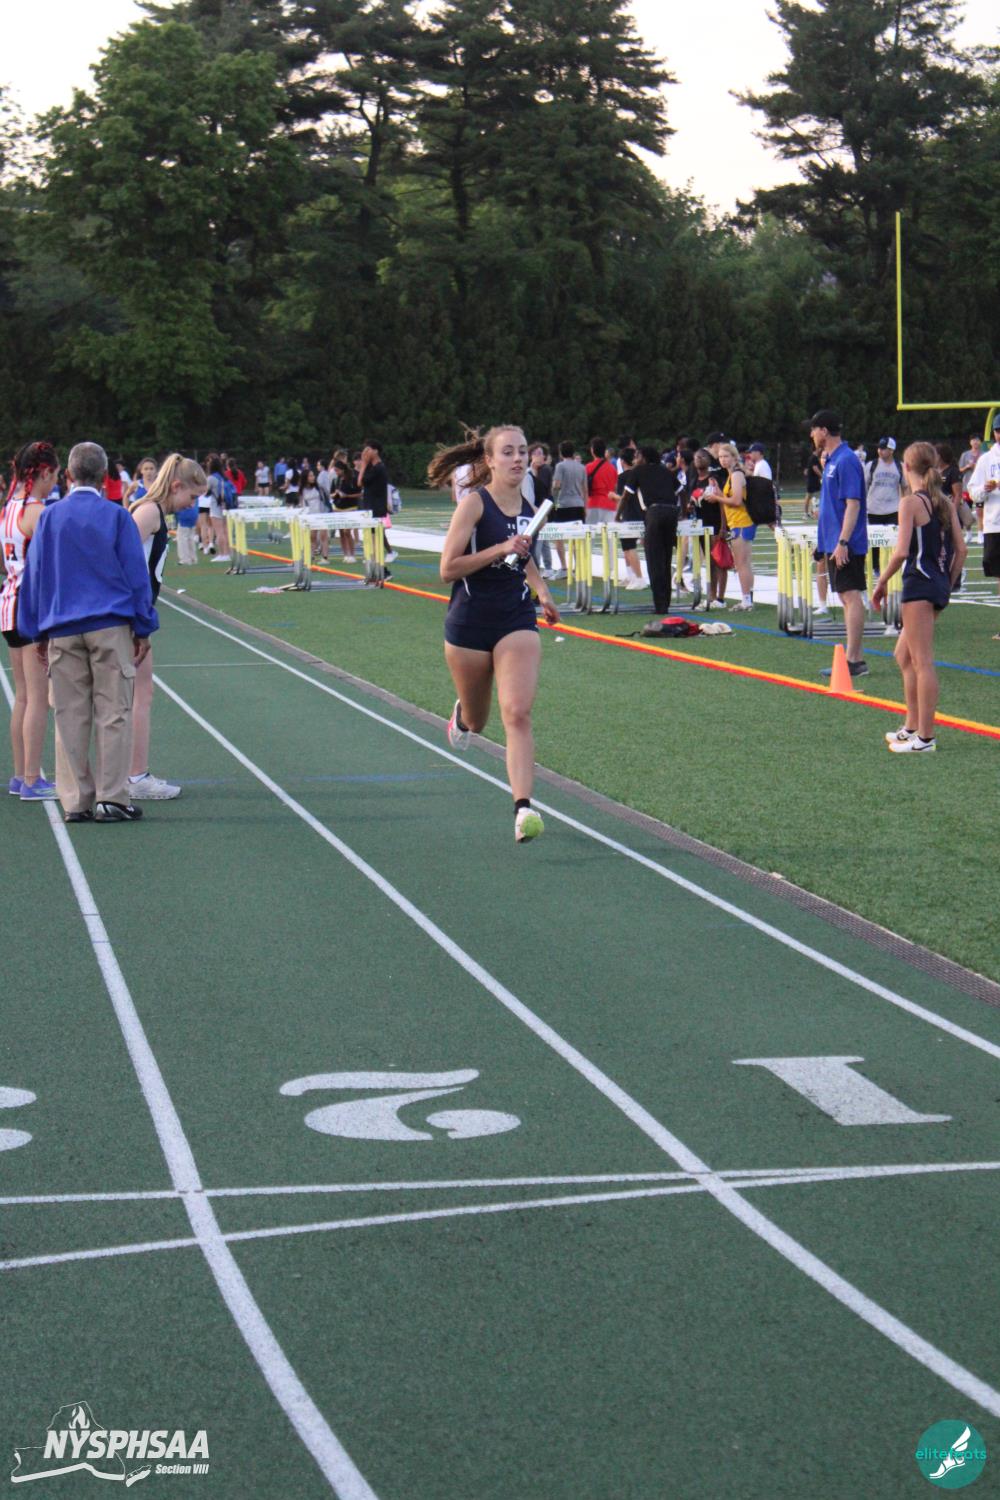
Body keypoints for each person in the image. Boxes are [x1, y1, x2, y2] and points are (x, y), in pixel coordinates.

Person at [428, 425, 559, 843]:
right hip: (469, 623)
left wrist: (542, 591)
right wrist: (500, 548)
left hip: (515, 618)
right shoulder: (474, 504)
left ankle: (523, 809)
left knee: (517, 712)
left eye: (522, 451)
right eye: (508, 452)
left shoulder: (531, 506)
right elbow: (447, 569)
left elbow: (525, 555)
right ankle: (462, 717)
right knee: (478, 720)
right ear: (490, 460)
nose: (518, 458)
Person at [17, 441, 158, 823]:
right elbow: (136, 575)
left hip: (62, 628)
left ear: (68, 474)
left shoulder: (49, 517)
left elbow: (35, 575)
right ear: (104, 476)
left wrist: (35, 631)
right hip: (110, 625)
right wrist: (143, 627)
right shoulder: (117, 517)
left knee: (69, 715)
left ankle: (76, 800)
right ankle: (112, 797)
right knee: (113, 713)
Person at [873, 442, 965, 751]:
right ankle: (912, 726)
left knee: (922, 661)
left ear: (907, 467)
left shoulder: (910, 502)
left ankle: (925, 737)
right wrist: (947, 583)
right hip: (935, 585)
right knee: (903, 655)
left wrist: (881, 582)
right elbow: (961, 550)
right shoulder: (944, 502)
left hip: (919, 585)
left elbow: (901, 552)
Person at [127, 455, 207, 799]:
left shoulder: (153, 512)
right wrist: (137, 620)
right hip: (130, 617)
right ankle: (134, 776)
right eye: (191, 496)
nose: (192, 504)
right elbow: (120, 558)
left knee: (136, 696)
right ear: (176, 486)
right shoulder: (148, 512)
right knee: (138, 696)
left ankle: (129, 774)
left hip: (136, 614)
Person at [1, 441, 61, 801]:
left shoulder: (9, 507)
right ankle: (31, 779)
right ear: (44, 473)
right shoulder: (38, 511)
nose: (56, 482)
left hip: (9, 605)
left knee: (23, 696)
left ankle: (20, 773)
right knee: (38, 698)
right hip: (30, 608)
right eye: (54, 475)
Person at [811, 410, 869, 678]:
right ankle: (853, 657)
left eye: (814, 429)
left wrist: (843, 541)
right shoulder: (833, 460)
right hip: (834, 542)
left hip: (846, 543)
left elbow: (853, 504)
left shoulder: (845, 460)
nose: (811, 435)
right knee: (846, 597)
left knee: (850, 595)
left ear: (824, 430)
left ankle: (854, 660)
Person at [617, 446, 679, 609]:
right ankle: (666, 601)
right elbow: (682, 491)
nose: (635, 459)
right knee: (666, 557)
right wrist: (684, 513)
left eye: (637, 456)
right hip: (672, 512)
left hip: (654, 512)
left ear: (644, 458)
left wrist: (617, 516)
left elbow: (625, 496)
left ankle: (660, 605)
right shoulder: (665, 470)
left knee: (654, 559)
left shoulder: (637, 471)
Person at [968, 416, 1000, 629]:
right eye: (998, 431)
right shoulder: (986, 459)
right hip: (994, 523)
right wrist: (985, 490)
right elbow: (973, 491)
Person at [716, 442, 755, 611]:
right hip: (738, 522)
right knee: (744, 562)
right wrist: (719, 493)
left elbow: (737, 500)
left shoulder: (736, 475)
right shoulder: (732, 474)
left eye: (726, 456)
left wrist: (717, 498)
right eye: (720, 457)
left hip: (741, 522)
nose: (723, 460)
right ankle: (748, 597)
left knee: (741, 563)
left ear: (734, 457)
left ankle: (746, 600)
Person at [550, 440, 588, 578]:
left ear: (561, 453)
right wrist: (585, 506)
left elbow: (557, 485)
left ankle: (564, 567)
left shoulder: (560, 466)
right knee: (577, 537)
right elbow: (585, 489)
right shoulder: (581, 467)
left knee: (558, 536)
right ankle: (578, 567)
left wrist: (552, 495)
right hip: (578, 504)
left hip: (563, 504)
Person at [864, 437, 902, 575]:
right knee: (875, 542)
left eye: (884, 448)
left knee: (894, 540)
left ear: (891, 450)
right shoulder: (871, 465)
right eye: (879, 448)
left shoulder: (899, 466)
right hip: (874, 509)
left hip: (893, 509)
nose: (880, 451)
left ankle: (893, 566)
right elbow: (864, 486)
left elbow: (905, 487)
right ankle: (876, 567)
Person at [204, 453, 232, 562]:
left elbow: (205, 493)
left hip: (216, 506)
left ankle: (222, 554)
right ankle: (228, 553)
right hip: (227, 506)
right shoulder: (225, 477)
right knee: (226, 531)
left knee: (219, 532)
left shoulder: (211, 478)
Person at [585, 439, 617, 527]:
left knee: (591, 533)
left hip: (593, 504)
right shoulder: (612, 468)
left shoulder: (588, 468)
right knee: (609, 533)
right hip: (610, 505)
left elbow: (584, 488)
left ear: (592, 450)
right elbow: (615, 488)